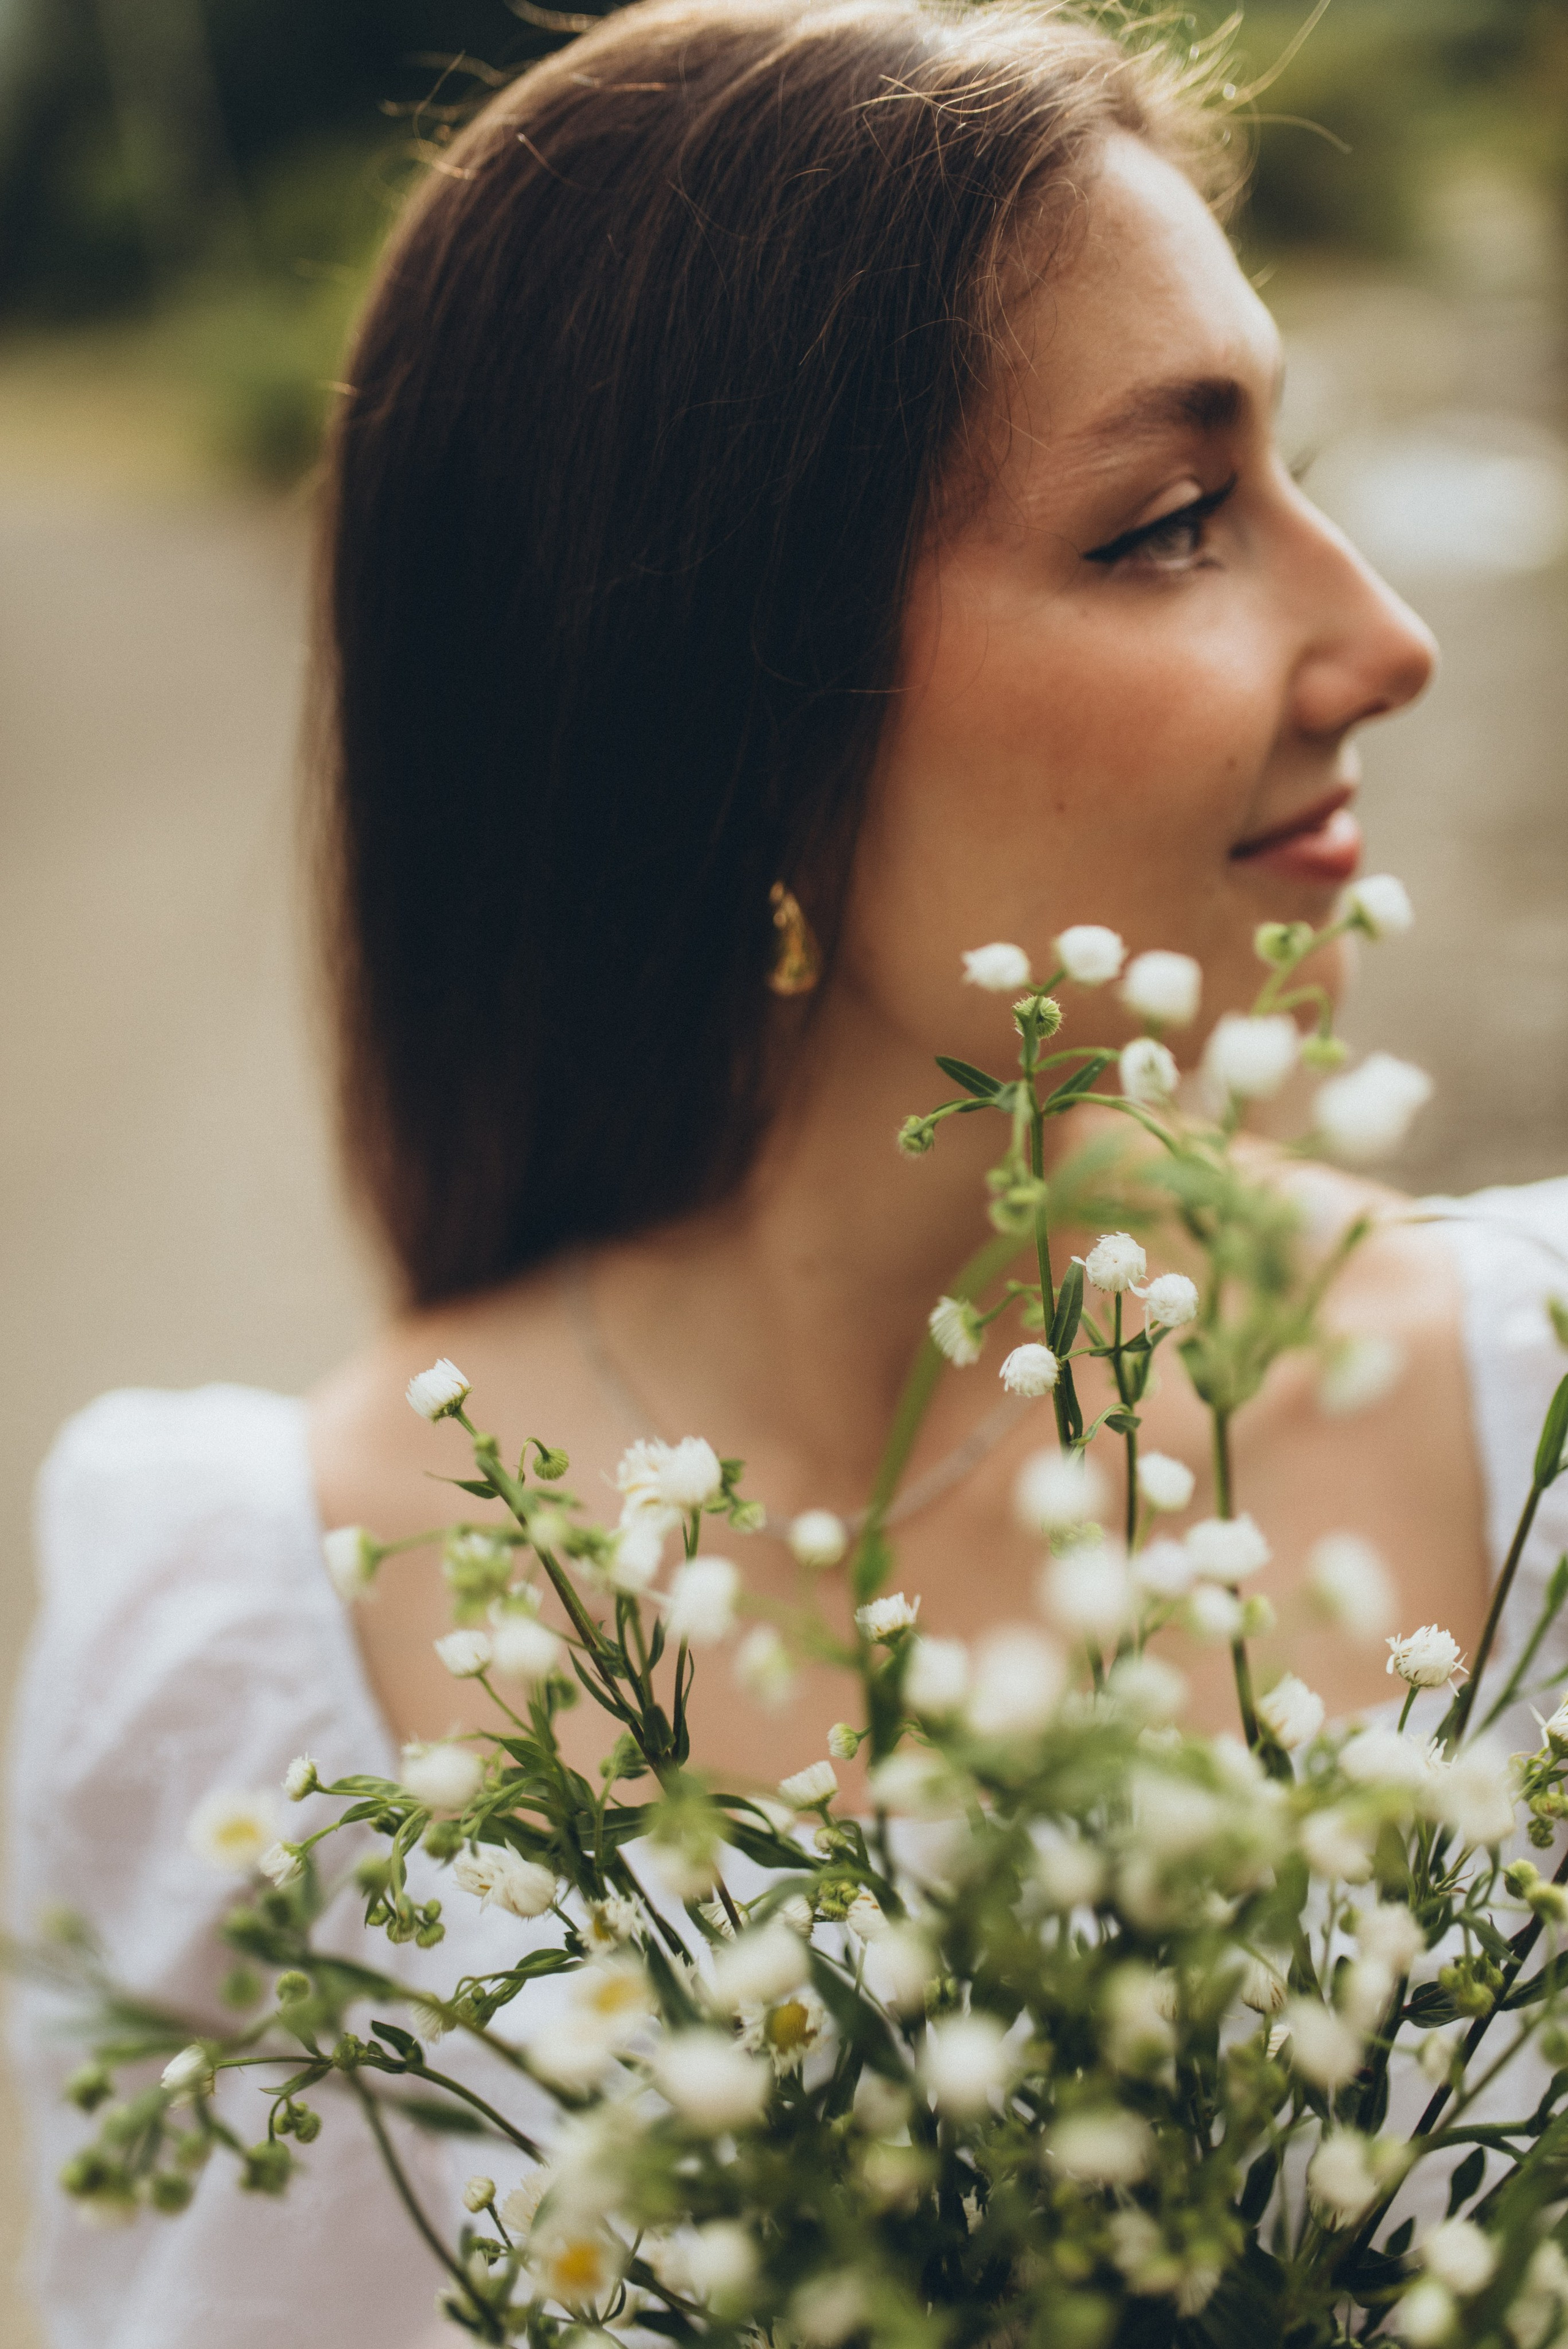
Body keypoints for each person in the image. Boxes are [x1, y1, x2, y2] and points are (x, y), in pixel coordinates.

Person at [12, 2, 1568, 2342]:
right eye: (1169, 523)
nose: (1389, 637)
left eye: (1295, 470)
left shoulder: (1537, 1412)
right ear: (731, 717)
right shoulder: (253, 1657)